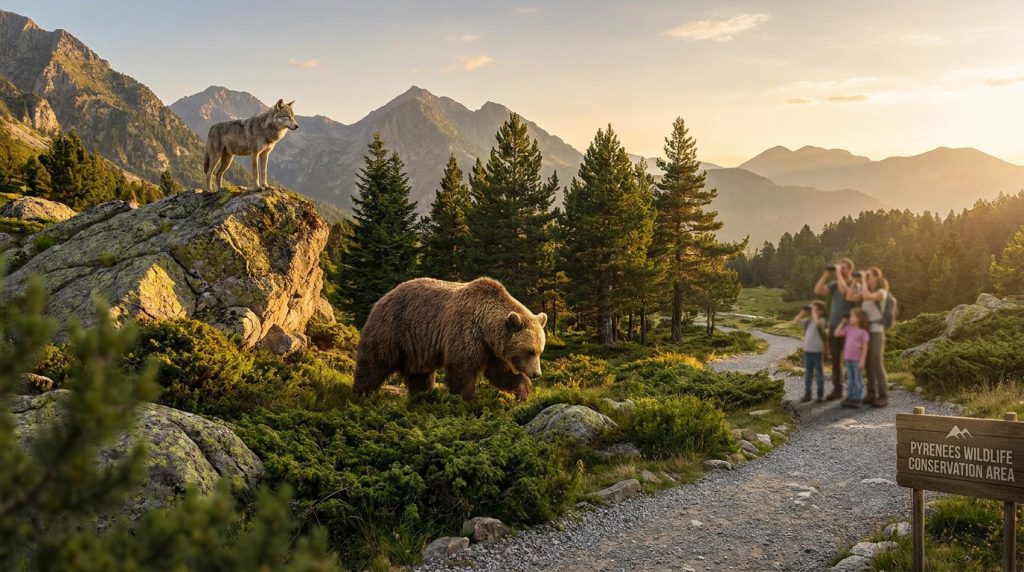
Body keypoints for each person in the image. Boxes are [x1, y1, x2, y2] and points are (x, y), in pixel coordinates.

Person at [813, 258, 858, 400]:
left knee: (850, 359)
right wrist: (826, 274)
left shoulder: (854, 285)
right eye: (840, 267)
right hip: (833, 327)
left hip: (849, 328)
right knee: (836, 360)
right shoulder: (834, 285)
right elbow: (818, 290)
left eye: (843, 268)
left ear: (850, 270)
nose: (840, 269)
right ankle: (837, 390)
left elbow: (846, 293)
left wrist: (837, 273)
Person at [847, 266, 890, 407]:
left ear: (877, 278)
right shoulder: (865, 291)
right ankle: (871, 394)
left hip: (876, 331)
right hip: (865, 332)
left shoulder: (881, 292)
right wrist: (854, 281)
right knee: (867, 363)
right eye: (866, 276)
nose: (866, 277)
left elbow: (866, 296)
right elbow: (849, 297)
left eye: (869, 275)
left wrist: (863, 280)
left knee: (876, 361)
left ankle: (883, 395)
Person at [834, 308, 870, 408]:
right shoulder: (848, 329)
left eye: (852, 316)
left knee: (857, 380)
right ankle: (850, 398)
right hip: (848, 359)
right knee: (850, 380)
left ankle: (858, 399)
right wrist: (842, 323)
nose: (850, 318)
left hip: (857, 360)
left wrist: (862, 360)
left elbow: (865, 347)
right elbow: (837, 333)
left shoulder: (863, 332)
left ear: (858, 318)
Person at [794, 301, 828, 402]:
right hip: (807, 351)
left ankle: (820, 395)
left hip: (817, 351)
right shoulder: (808, 321)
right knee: (808, 374)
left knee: (819, 373)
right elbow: (796, 321)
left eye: (817, 309)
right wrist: (802, 312)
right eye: (813, 309)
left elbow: (817, 323)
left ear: (821, 312)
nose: (814, 310)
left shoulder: (822, 320)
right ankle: (808, 394)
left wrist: (813, 311)